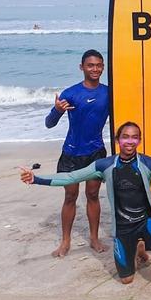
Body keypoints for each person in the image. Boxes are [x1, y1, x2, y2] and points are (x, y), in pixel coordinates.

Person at [20, 122, 151, 284]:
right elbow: (71, 177)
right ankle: (138, 249)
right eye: (125, 136)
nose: (130, 141)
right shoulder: (104, 165)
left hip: (146, 219)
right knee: (126, 280)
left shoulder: (149, 163)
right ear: (117, 140)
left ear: (139, 140)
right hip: (123, 226)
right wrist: (36, 179)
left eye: (134, 137)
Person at [44, 49, 109, 257]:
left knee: (92, 195)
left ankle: (94, 238)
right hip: (71, 153)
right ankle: (65, 241)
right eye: (90, 65)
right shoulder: (70, 93)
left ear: (103, 67)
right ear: (82, 67)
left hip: (96, 152)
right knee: (70, 196)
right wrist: (57, 110)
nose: (95, 69)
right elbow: (49, 124)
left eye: (99, 65)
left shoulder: (109, 92)